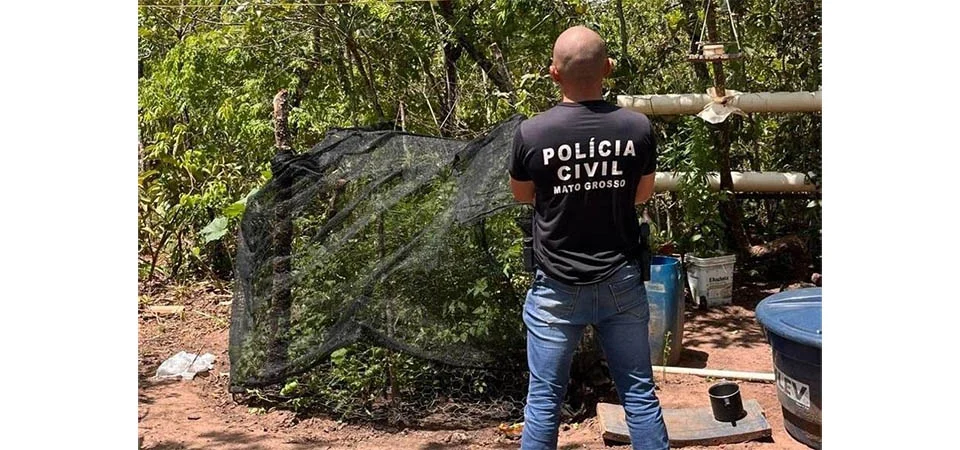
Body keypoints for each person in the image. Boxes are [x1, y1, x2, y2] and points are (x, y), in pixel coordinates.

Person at [508, 25, 668, 450]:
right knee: (638, 394)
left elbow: (524, 195)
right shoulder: (636, 128)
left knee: (543, 402)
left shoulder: (532, 133)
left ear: (553, 73)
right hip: (620, 281)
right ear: (608, 69)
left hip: (556, 288)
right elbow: (642, 195)